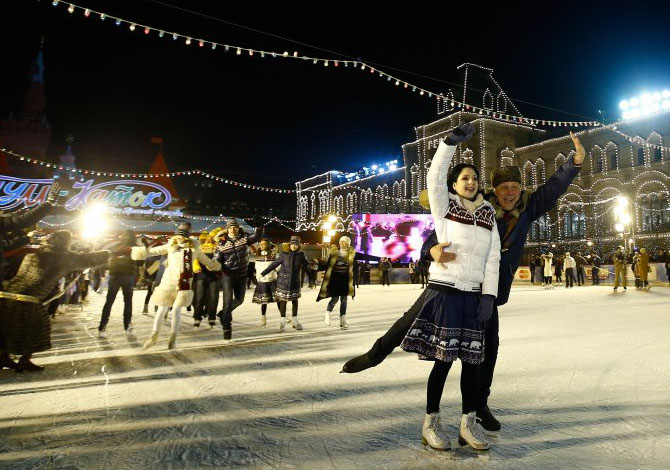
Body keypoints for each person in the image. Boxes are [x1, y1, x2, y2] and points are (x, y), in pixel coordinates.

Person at [343, 128, 586, 438]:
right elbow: (439, 233)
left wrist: (575, 162)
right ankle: (374, 356)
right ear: (494, 190)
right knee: (409, 321)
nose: (510, 193)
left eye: (515, 187)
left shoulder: (528, 207)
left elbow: (553, 188)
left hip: (486, 291)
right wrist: (429, 250)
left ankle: (478, 406)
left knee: (488, 349)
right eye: (504, 188)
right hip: (448, 283)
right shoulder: (477, 208)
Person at [398, 122, 499, 451]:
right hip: (446, 294)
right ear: (455, 184)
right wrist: (448, 144)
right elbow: (432, 176)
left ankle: (468, 423)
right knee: (443, 362)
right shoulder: (446, 209)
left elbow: (493, 260)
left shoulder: (487, 215)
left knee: (472, 362)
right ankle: (431, 422)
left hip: (473, 298)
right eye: (464, 178)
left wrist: (488, 296)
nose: (471, 182)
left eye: (474, 178)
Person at [0, 230, 109, 371]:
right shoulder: (64, 257)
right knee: (39, 328)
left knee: (6, 327)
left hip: (8, 293)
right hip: (29, 299)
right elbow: (89, 259)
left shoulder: (35, 252)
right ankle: (24, 360)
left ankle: (4, 357)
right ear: (67, 242)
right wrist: (108, 253)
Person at [142, 224, 221, 350]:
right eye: (178, 235)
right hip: (168, 282)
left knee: (176, 311)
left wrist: (216, 265)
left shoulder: (195, 249)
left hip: (183, 284)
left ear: (188, 237)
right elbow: (153, 251)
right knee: (162, 310)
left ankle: (173, 339)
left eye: (183, 236)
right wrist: (141, 251)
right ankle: (154, 336)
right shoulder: (170, 246)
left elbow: (207, 261)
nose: (180, 238)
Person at [214, 219, 263, 340]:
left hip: (242, 274)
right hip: (228, 275)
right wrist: (214, 264)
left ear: (238, 228)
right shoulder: (221, 243)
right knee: (227, 301)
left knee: (239, 300)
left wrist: (259, 227)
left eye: (235, 227)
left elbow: (256, 236)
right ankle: (227, 327)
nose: (233, 229)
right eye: (230, 228)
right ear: (227, 230)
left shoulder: (244, 239)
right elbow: (218, 259)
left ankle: (223, 314)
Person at [317, 235, 368, 329]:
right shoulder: (334, 253)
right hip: (335, 280)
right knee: (335, 299)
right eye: (341, 241)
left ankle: (342, 320)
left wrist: (380, 258)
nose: (342, 243)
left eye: (345, 242)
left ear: (348, 244)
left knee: (344, 300)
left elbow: (365, 256)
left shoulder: (352, 254)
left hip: (345, 281)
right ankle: (327, 313)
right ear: (339, 242)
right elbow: (327, 265)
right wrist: (317, 267)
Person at [260, 235, 308, 331]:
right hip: (283, 283)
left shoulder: (301, 255)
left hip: (295, 282)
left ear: (298, 246)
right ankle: (282, 321)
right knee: (283, 301)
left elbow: (307, 267)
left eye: (296, 245)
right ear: (289, 245)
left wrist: (314, 270)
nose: (294, 246)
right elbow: (274, 265)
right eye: (292, 244)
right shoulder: (284, 255)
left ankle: (295, 320)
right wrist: (263, 273)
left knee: (295, 301)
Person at [98, 230, 139, 337]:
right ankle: (127, 325)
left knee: (109, 301)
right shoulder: (136, 247)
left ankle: (102, 325)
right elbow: (140, 262)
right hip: (128, 276)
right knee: (128, 301)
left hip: (115, 275)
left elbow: (109, 257)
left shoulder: (117, 245)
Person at [192, 231, 220, 328]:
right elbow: (196, 258)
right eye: (211, 237)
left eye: (214, 237)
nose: (212, 238)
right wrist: (196, 267)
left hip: (215, 276)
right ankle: (197, 317)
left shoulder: (219, 247)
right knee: (199, 298)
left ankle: (211, 317)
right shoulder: (202, 247)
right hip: (201, 275)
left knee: (213, 298)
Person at [252, 238, 281, 326]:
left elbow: (277, 267)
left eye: (264, 244)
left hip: (272, 280)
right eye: (260, 244)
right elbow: (256, 267)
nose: (262, 246)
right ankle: (263, 317)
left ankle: (283, 316)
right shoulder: (257, 256)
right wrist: (257, 277)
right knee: (264, 301)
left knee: (278, 300)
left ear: (268, 245)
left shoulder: (273, 255)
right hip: (262, 281)